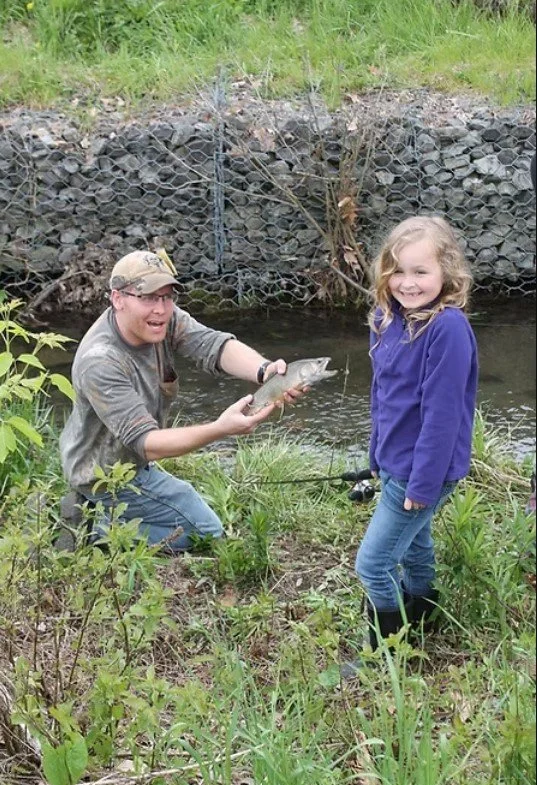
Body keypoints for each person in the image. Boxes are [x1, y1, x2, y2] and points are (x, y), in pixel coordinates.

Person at [59, 250, 300, 553]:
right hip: (103, 476)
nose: (160, 308)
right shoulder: (101, 361)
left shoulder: (162, 319)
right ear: (117, 298)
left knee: (192, 512)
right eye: (147, 298)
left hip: (134, 462)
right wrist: (221, 429)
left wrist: (265, 372)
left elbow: (212, 345)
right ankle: (94, 527)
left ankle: (101, 518)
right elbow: (147, 442)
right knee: (207, 533)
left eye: (167, 296)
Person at [352, 216, 478, 659]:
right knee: (416, 544)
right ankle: (423, 615)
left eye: (421, 272)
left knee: (372, 564)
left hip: (422, 470)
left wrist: (424, 484)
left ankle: (385, 650)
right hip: (393, 462)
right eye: (398, 271)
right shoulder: (386, 319)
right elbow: (382, 396)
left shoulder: (447, 329)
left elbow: (442, 417)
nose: (407, 283)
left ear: (447, 273)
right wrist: (374, 455)